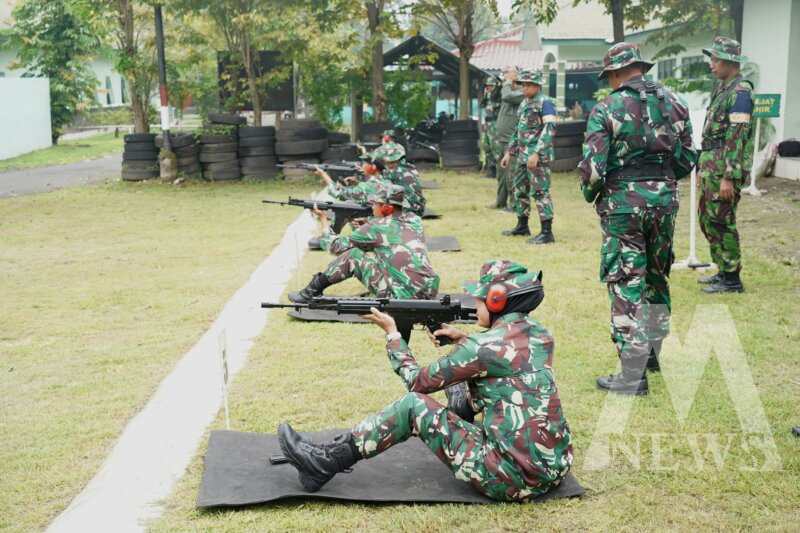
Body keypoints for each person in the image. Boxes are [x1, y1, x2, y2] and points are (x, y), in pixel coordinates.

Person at [278, 260, 573, 501]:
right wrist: (464, 338)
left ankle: (325, 461)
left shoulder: (481, 349)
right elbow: (502, 357)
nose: (475, 301)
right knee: (461, 383)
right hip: (552, 468)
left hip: (510, 479)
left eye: (481, 297)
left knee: (413, 406)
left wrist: (393, 335)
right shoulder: (541, 335)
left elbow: (417, 383)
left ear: (498, 302)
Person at [578, 42, 697, 395]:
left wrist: (593, 194)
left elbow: (594, 169)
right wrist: (660, 181)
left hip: (624, 205)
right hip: (664, 200)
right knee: (657, 274)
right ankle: (652, 354)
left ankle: (632, 376)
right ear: (640, 68)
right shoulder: (676, 103)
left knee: (626, 279)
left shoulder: (607, 107)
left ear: (615, 73)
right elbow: (688, 156)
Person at [288, 184, 439, 303]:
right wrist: (368, 224)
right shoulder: (415, 220)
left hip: (401, 297)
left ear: (387, 207)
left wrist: (323, 221)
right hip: (429, 291)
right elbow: (391, 233)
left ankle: (310, 292)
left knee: (353, 255)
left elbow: (335, 246)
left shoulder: (375, 227)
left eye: (375, 203)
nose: (372, 206)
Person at [697, 37, 754, 294]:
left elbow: (737, 136)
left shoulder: (741, 93)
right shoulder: (722, 89)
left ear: (731, 62)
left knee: (722, 219)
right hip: (712, 165)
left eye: (716, 59)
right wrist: (702, 167)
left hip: (724, 168)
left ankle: (732, 279)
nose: (712, 64)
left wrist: (729, 177)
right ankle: (722, 269)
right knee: (708, 219)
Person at [499, 69, 557, 244]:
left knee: (540, 192)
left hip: (537, 157)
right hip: (523, 156)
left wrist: (537, 153)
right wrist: (509, 152)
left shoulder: (545, 103)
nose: (525, 88)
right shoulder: (524, 104)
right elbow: (519, 130)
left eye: (528, 85)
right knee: (519, 189)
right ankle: (522, 225)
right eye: (523, 84)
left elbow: (550, 128)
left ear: (537, 85)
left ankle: (547, 232)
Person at [490, 66, 524, 210]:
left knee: (512, 174)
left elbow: (507, 96)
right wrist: (499, 84)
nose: (506, 76)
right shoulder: (507, 90)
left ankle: (514, 204)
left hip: (512, 140)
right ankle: (501, 201)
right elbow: (494, 97)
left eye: (508, 73)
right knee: (501, 173)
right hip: (501, 139)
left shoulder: (521, 93)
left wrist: (508, 82)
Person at [380, 142, 426, 217]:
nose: (388, 165)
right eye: (387, 162)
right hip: (408, 207)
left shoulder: (401, 173)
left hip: (410, 210)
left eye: (392, 162)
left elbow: (411, 199)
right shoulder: (400, 169)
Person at [480, 76, 501, 178]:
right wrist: (485, 94)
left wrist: (495, 105)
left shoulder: (500, 95)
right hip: (488, 123)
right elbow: (482, 105)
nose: (488, 88)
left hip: (496, 123)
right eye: (487, 86)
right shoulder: (487, 95)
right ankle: (490, 170)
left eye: (491, 86)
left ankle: (499, 171)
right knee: (486, 146)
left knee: (496, 147)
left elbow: (501, 106)